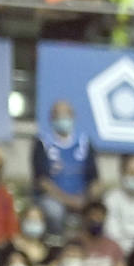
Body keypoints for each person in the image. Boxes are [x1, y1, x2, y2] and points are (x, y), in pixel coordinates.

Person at [32, 101, 100, 238]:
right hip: (54, 198)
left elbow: (95, 179)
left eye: (66, 114)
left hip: (82, 198)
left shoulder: (84, 143)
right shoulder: (42, 143)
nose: (63, 118)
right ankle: (56, 243)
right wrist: (68, 200)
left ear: (73, 117)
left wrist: (87, 199)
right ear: (51, 118)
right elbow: (42, 181)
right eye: (58, 115)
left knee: (96, 211)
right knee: (54, 210)